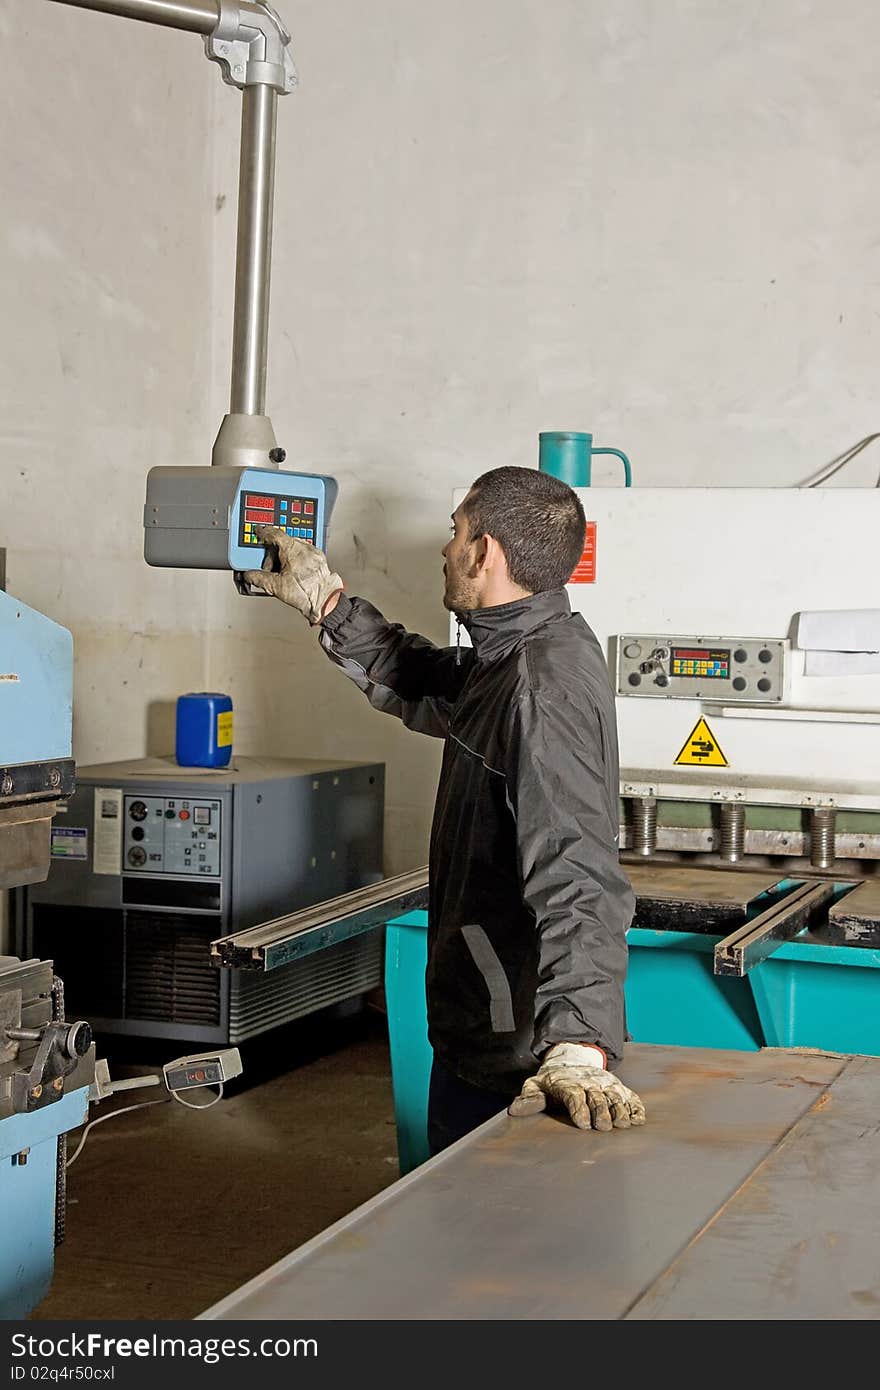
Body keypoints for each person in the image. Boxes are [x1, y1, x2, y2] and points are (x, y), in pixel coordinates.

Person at [244, 465, 645, 1154]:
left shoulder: (539, 686)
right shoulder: (517, 652)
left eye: (455, 532)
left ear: (484, 552)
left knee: (483, 1246)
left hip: (512, 1053)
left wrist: (578, 1042)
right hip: (481, 1025)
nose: (444, 547)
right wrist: (328, 603)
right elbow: (423, 679)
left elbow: (576, 870)